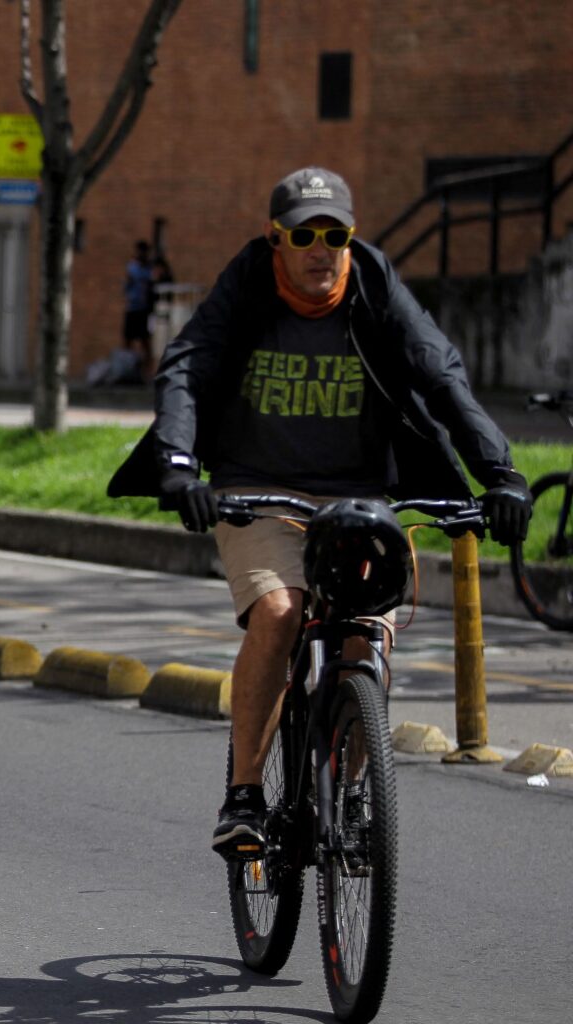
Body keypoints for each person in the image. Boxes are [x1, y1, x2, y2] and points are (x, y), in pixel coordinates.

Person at [107, 166, 531, 857]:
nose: (321, 249)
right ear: (276, 239)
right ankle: (244, 795)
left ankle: (354, 791)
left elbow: (440, 372)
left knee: (368, 633)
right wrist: (181, 466)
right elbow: (187, 366)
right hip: (255, 490)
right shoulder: (248, 284)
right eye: (304, 234)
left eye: (335, 234)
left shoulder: (372, 283)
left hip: (359, 497)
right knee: (280, 611)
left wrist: (501, 476)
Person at [120, 239, 155, 381]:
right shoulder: (133, 267)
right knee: (128, 340)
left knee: (145, 341)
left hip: (144, 310)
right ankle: (126, 369)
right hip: (132, 308)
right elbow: (128, 285)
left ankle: (148, 373)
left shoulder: (148, 268)